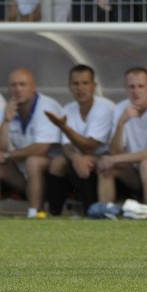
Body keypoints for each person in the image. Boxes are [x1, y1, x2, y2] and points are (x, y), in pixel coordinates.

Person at [97, 67, 147, 209]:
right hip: (135, 169)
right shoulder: (121, 108)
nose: (136, 91)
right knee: (106, 166)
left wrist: (114, 159)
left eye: (141, 86)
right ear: (125, 88)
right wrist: (120, 124)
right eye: (131, 86)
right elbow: (115, 152)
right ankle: (104, 213)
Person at [43, 65, 115, 217]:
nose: (80, 88)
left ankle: (92, 214)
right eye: (76, 84)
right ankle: (53, 214)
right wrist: (76, 158)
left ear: (94, 86)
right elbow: (66, 146)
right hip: (82, 160)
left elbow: (90, 147)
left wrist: (64, 127)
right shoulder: (68, 109)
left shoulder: (105, 108)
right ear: (69, 87)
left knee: (87, 161)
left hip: (108, 159)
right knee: (58, 162)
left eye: (85, 83)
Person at [0, 68, 62, 218]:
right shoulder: (9, 109)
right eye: (14, 85)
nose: (18, 89)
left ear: (33, 87)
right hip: (23, 174)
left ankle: (34, 212)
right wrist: (7, 121)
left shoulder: (46, 106)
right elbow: (1, 149)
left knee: (34, 161)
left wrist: (8, 156)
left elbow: (42, 148)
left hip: (53, 173)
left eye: (23, 84)